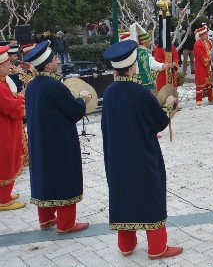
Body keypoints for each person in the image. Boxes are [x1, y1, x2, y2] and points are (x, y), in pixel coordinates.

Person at [101, 40, 183, 260]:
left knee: (123, 194)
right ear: (133, 66)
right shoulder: (140, 92)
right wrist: (170, 105)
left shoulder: (108, 93)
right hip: (142, 155)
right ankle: (157, 247)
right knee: (150, 193)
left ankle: (126, 245)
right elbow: (158, 122)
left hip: (117, 157)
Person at [23, 41, 92, 233]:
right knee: (65, 177)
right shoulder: (55, 86)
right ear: (47, 65)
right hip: (59, 142)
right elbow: (74, 111)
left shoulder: (32, 86)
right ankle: (66, 223)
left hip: (39, 141)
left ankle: (45, 219)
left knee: (44, 176)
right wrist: (83, 99)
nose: (57, 62)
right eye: (54, 59)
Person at [0, 45, 26, 211]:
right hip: (4, 130)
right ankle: (4, 199)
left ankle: (5, 194)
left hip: (6, 127)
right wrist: (22, 99)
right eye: (7, 63)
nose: (10, 66)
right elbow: (12, 108)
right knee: (6, 161)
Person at [193, 26, 213, 105]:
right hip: (201, 66)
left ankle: (211, 98)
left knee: (210, 81)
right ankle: (199, 99)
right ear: (201, 35)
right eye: (205, 34)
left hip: (209, 66)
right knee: (201, 81)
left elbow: (211, 51)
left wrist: (212, 58)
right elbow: (200, 55)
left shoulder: (208, 42)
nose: (207, 35)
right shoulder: (197, 44)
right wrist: (209, 59)